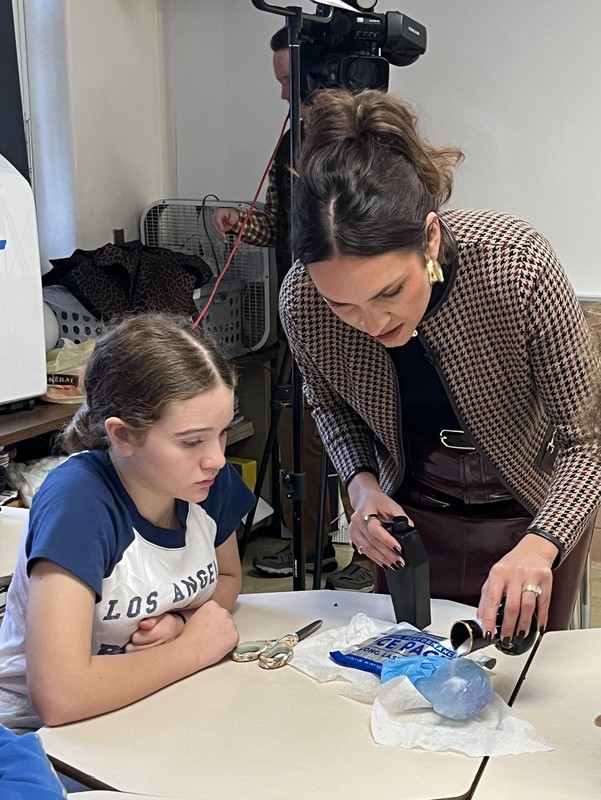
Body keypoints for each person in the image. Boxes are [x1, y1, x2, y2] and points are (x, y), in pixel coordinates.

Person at [279, 87, 601, 639]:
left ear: (429, 239)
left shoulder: (514, 267)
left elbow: (587, 441)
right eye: (343, 305)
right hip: (410, 516)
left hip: (535, 509)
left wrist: (541, 542)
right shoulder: (304, 304)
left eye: (389, 291)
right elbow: (330, 406)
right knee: (407, 663)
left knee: (526, 671)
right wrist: (360, 486)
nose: (372, 323)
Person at [0, 313, 255, 732]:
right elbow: (59, 696)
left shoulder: (205, 480)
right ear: (122, 436)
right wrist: (191, 649)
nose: (216, 458)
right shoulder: (80, 503)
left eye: (222, 432)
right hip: (38, 735)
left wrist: (182, 621)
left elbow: (227, 578)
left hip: (147, 702)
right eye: (192, 441)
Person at [213, 29, 373, 591]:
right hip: (303, 312)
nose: (284, 94)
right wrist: (242, 223)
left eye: (289, 80)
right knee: (295, 429)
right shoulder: (290, 147)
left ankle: (371, 552)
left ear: (316, 75)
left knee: (355, 431)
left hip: (353, 317)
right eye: (280, 81)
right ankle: (311, 548)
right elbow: (284, 228)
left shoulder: (359, 145)